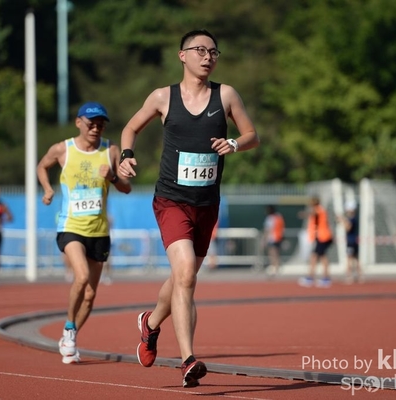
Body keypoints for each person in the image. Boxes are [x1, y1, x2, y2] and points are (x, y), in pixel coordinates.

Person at [118, 29, 260, 388]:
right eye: (200, 50)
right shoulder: (162, 97)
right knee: (186, 276)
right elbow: (130, 128)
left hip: (206, 204)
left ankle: (150, 324)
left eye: (213, 52)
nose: (208, 57)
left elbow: (252, 136)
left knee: (183, 278)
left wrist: (234, 144)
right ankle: (188, 360)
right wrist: (126, 155)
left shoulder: (226, 95)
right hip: (171, 200)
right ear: (182, 55)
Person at [37, 101, 131, 364]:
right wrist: (47, 189)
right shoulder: (63, 149)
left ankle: (71, 336)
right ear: (79, 122)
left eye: (101, 125)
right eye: (91, 124)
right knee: (81, 276)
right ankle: (69, 326)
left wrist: (112, 177)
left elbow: (127, 188)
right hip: (71, 227)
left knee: (90, 295)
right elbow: (42, 166)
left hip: (99, 231)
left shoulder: (111, 150)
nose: (96, 129)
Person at [298, 196, 333, 288]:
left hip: (323, 237)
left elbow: (313, 213)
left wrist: (304, 214)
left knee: (319, 257)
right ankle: (314, 276)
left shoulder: (319, 209)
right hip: (320, 237)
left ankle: (323, 277)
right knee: (317, 256)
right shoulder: (319, 210)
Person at [337, 201, 362, 284]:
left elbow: (348, 228)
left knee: (349, 258)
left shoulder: (352, 219)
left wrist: (342, 220)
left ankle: (349, 275)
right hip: (354, 240)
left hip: (351, 241)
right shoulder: (354, 218)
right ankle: (359, 275)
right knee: (356, 258)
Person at [263, 205, 285, 276]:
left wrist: (264, 240)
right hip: (279, 237)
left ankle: (274, 268)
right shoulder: (279, 216)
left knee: (272, 254)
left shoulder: (269, 218)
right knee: (277, 254)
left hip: (272, 238)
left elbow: (268, 230)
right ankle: (277, 268)